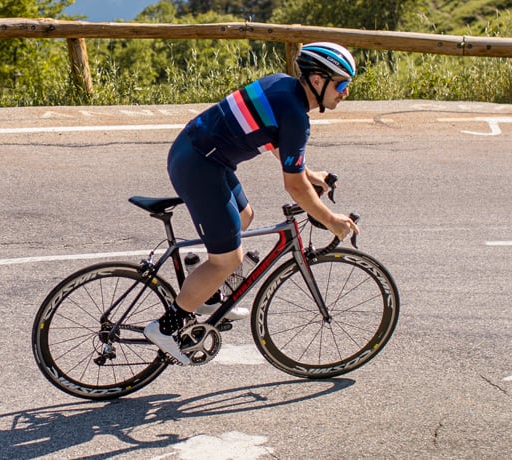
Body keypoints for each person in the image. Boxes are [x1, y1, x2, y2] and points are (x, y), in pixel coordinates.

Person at [144, 42, 362, 365]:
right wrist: (332, 220)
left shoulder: (283, 86)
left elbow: (277, 142)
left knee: (244, 217)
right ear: (318, 81)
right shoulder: (297, 116)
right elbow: (295, 187)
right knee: (228, 259)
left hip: (199, 152)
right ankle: (166, 327)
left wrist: (311, 174)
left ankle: (207, 293)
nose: (345, 92)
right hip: (201, 166)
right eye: (342, 84)